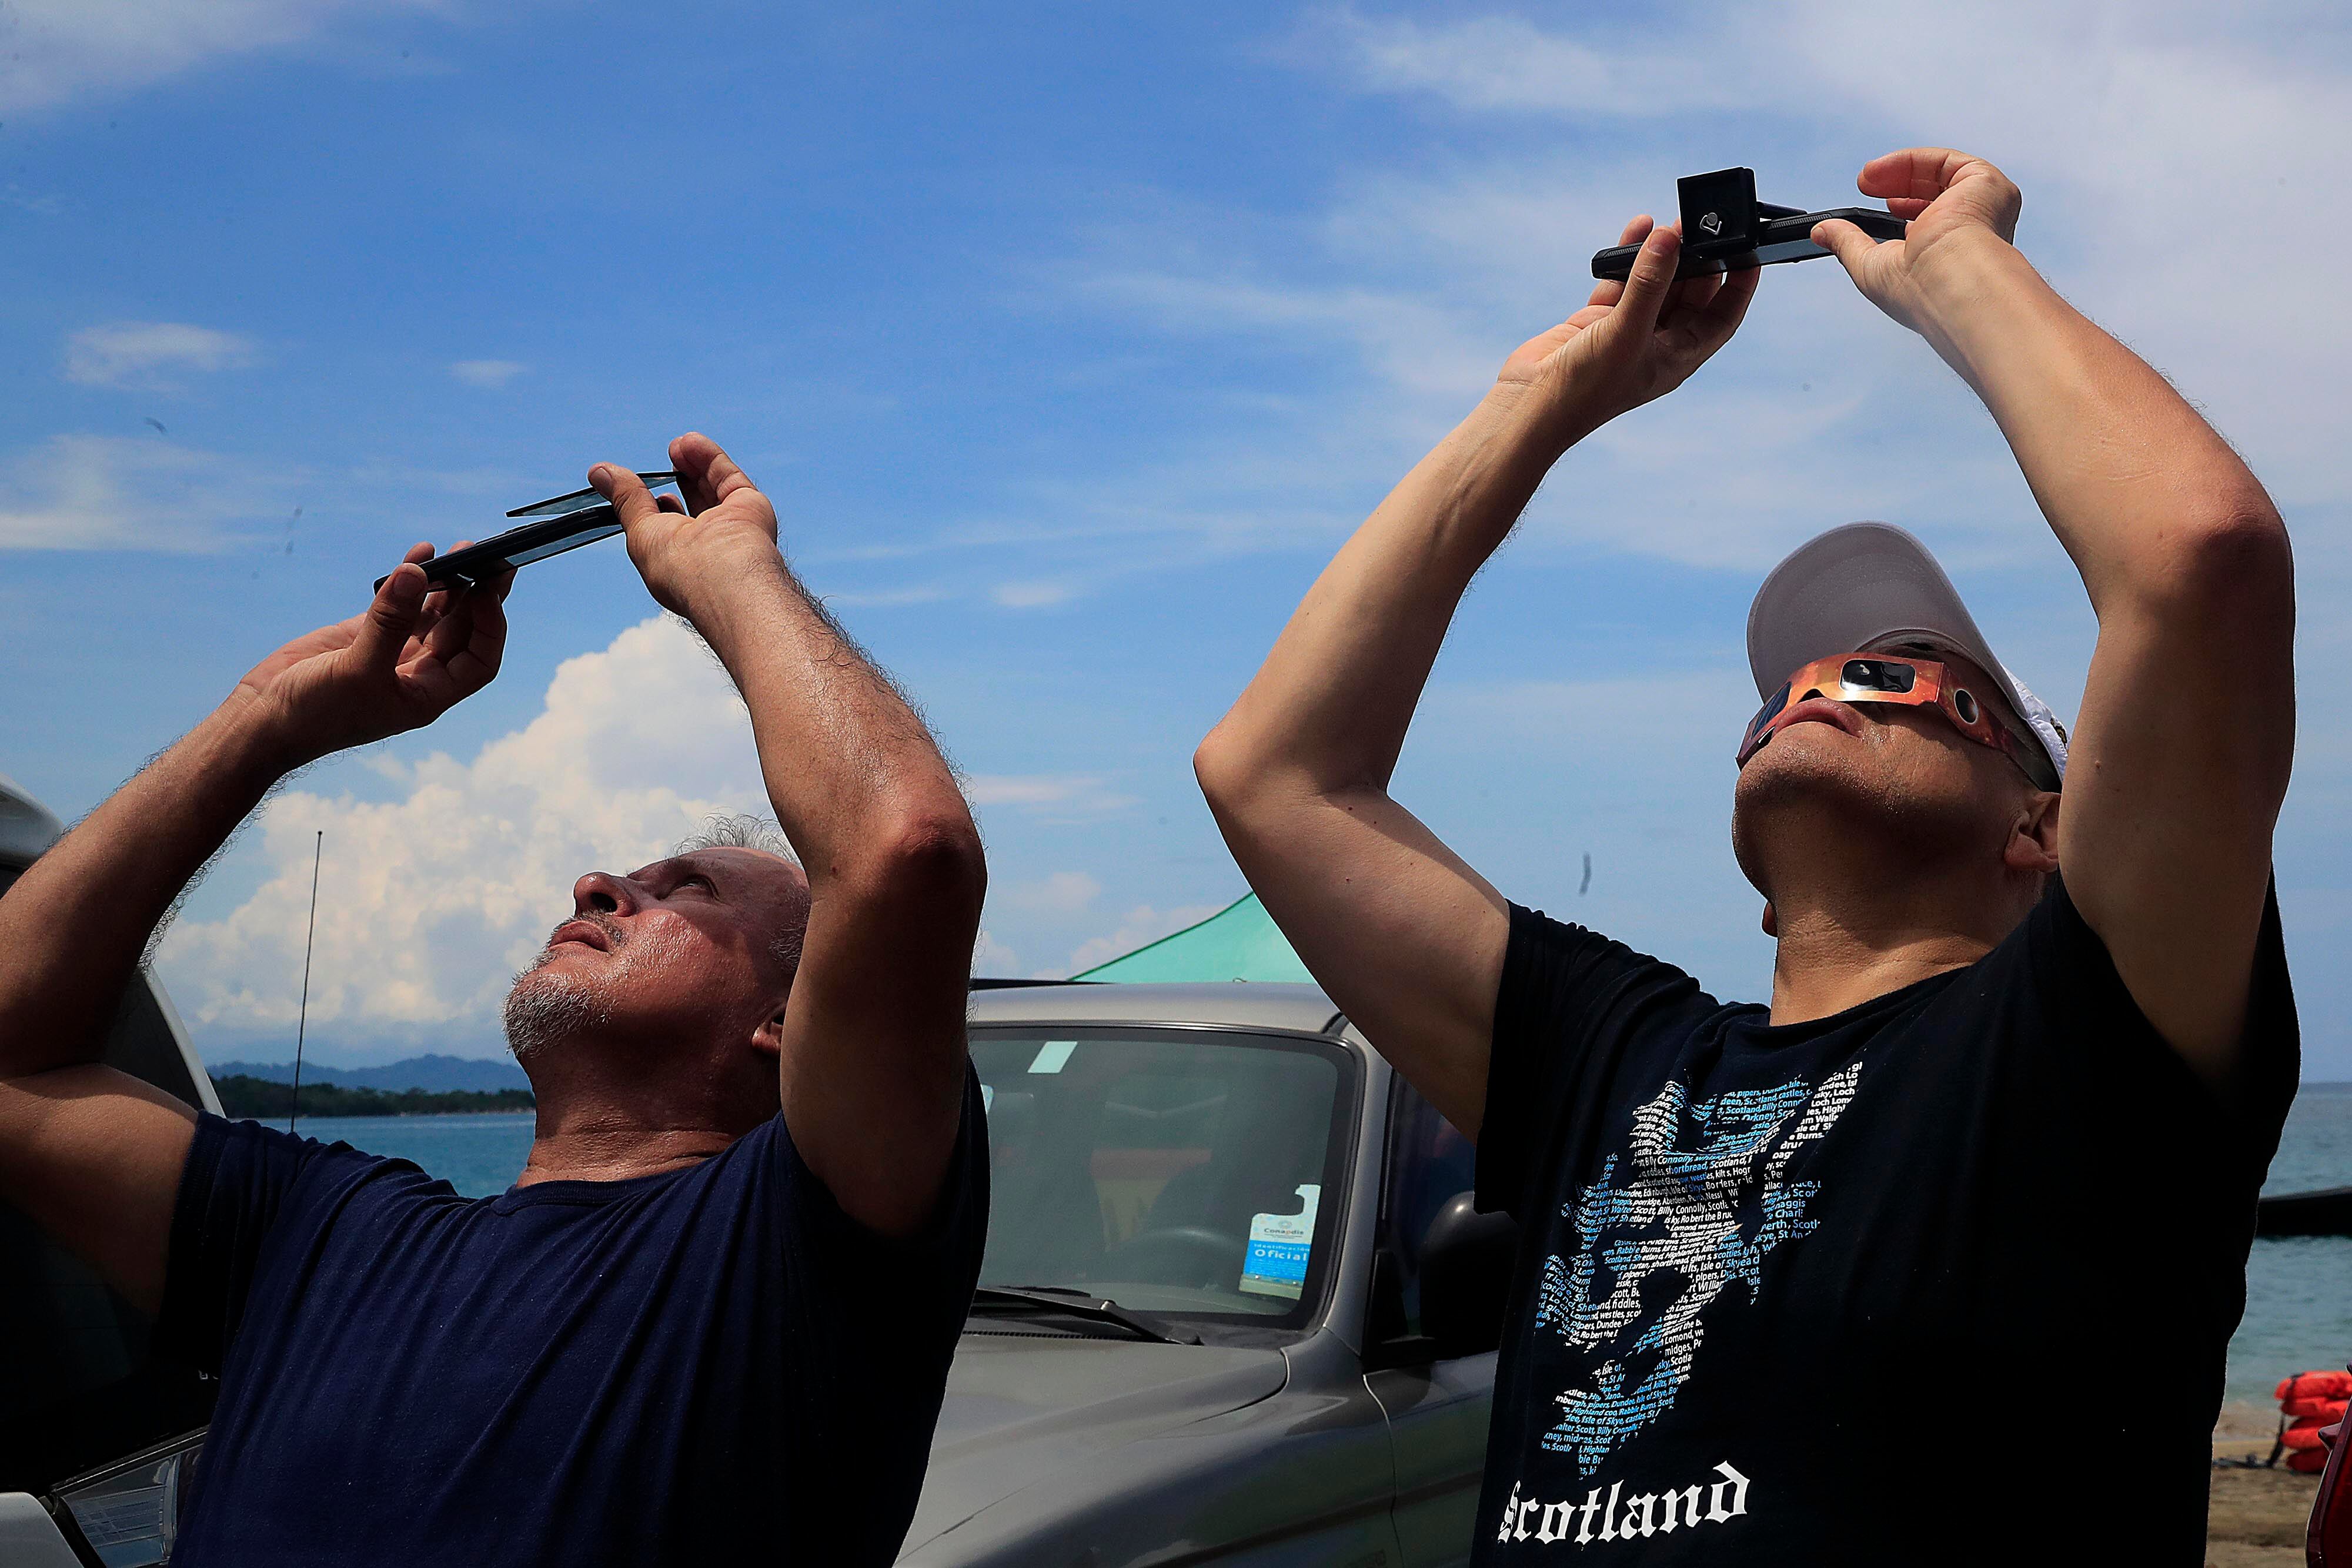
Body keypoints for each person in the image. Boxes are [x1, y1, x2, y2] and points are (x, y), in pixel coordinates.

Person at [1194, 147, 2297, 1562]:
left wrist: (1955, 269)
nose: (1818, 685)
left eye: (1898, 674)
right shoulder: (1610, 1055)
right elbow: (1271, 774)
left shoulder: (2094, 1042)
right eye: (1785, 687)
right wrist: (1539, 405)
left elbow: (2196, 557)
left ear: (2040, 825)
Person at [0, 434, 990, 1566]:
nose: (597, 883)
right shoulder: (316, 1236)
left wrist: (730, 575)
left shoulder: (797, 1261)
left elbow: (905, 852)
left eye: (688, 890)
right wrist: (264, 722)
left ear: (788, 1020)